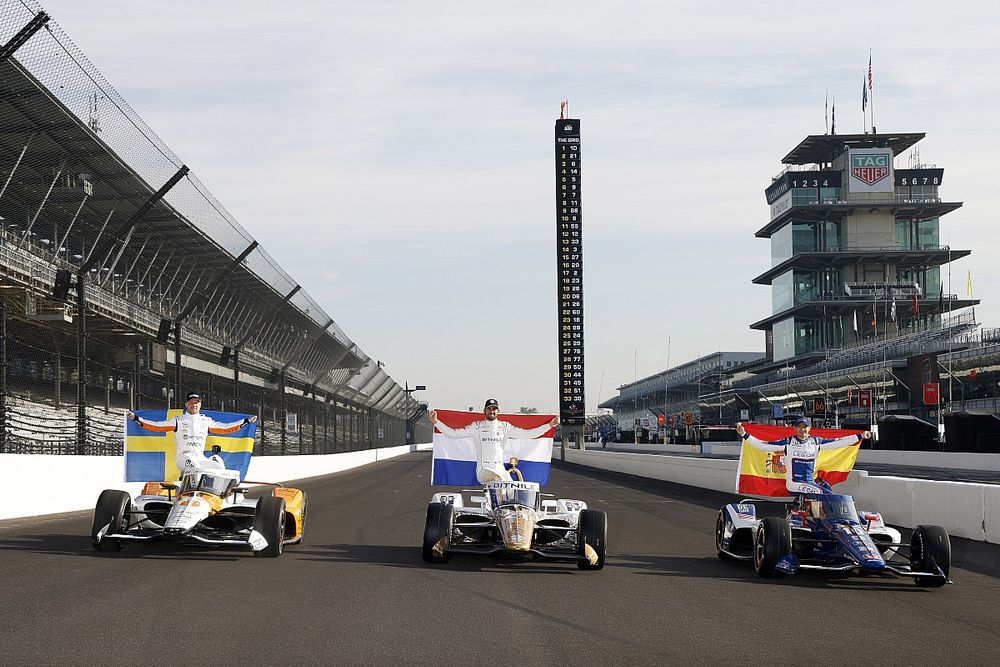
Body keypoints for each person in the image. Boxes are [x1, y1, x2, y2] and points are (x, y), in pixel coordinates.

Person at [127, 392, 257, 478]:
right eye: (191, 402)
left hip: (200, 458)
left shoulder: (206, 421)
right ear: (186, 404)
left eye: (197, 402)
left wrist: (245, 422)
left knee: (219, 469)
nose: (194, 405)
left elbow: (225, 428)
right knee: (195, 469)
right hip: (184, 458)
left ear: (200, 404)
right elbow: (155, 426)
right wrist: (136, 419)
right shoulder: (178, 420)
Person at [428, 399, 559, 483]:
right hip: (484, 471)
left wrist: (549, 425)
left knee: (517, 491)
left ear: (498, 411)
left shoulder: (505, 427)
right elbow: (453, 434)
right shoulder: (476, 426)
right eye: (489, 408)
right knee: (499, 482)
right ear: (484, 411)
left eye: (494, 408)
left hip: (500, 470)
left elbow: (529, 434)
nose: (492, 411)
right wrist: (436, 422)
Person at [735, 417, 871, 495]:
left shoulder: (816, 442)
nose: (802, 429)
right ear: (795, 429)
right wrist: (745, 435)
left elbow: (839, 443)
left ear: (809, 428)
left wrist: (860, 436)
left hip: (810, 483)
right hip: (794, 484)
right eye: (799, 427)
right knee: (824, 494)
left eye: (805, 426)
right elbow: (762, 446)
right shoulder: (788, 442)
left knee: (827, 488)